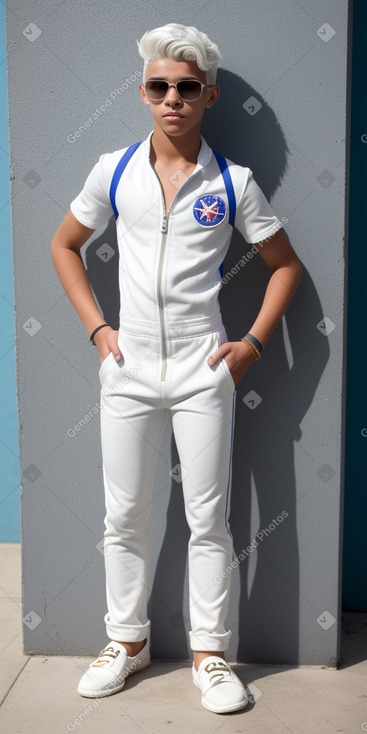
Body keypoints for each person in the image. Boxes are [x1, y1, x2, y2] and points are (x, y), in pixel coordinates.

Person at [50, 22, 302, 714]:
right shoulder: (114, 169)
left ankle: (210, 655)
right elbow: (65, 245)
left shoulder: (235, 183)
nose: (172, 98)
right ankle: (126, 643)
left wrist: (247, 346)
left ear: (208, 97)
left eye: (186, 88)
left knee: (208, 519)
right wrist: (98, 329)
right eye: (159, 87)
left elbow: (284, 267)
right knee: (124, 514)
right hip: (128, 367)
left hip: (202, 368)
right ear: (142, 93)